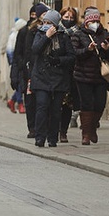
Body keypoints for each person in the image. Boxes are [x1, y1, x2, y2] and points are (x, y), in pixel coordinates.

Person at [30, 9, 76, 147]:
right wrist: (46, 37)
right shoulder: (39, 34)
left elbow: (72, 57)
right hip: (41, 77)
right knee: (42, 107)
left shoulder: (63, 36)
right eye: (44, 22)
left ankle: (52, 138)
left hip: (58, 79)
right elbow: (35, 49)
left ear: (55, 24)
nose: (45, 25)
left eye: (49, 22)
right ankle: (40, 137)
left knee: (56, 111)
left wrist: (58, 60)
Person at [70, 6, 109, 145]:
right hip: (83, 76)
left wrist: (107, 50)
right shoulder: (79, 34)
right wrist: (88, 50)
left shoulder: (104, 34)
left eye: (97, 21)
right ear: (86, 22)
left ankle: (93, 127)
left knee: (100, 104)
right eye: (92, 21)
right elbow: (75, 53)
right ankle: (86, 134)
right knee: (86, 104)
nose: (95, 24)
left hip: (100, 76)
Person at [15, 3, 49, 137]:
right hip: (29, 70)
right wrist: (23, 67)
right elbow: (21, 52)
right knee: (30, 101)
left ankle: (41, 127)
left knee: (42, 102)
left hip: (43, 71)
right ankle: (32, 127)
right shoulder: (26, 31)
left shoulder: (50, 29)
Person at [58, 6, 81, 142]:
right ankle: (54, 129)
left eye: (71, 18)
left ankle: (63, 132)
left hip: (72, 74)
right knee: (55, 104)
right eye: (66, 17)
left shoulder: (78, 32)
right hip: (56, 73)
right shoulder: (55, 32)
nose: (69, 20)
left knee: (67, 105)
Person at [6, 17, 27, 113]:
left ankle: (12, 101)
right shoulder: (14, 35)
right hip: (16, 61)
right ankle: (20, 103)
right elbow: (12, 50)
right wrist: (13, 64)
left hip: (20, 60)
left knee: (20, 84)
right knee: (18, 84)